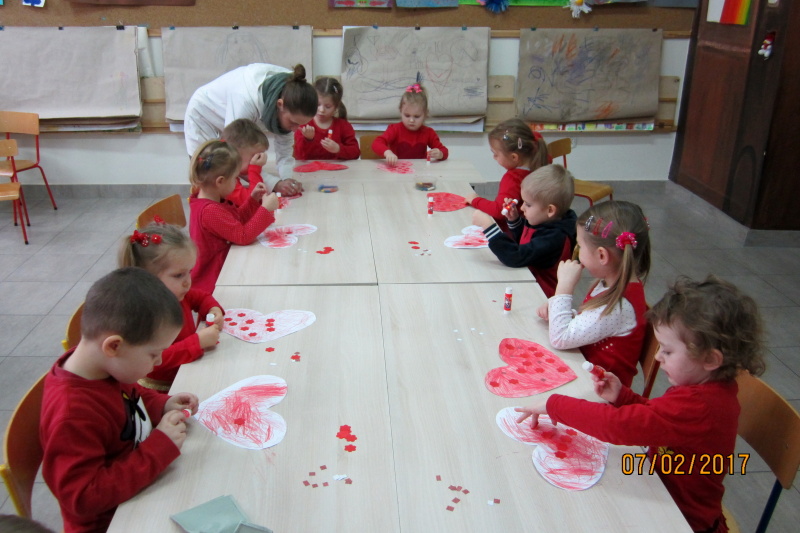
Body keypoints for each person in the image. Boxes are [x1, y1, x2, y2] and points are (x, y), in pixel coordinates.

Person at [517, 276, 766, 533]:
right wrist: (623, 397)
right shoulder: (706, 388)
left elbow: (618, 426)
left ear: (711, 359)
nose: (658, 357)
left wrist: (555, 404)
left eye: (667, 351)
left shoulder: (702, 405)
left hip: (683, 519)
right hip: (658, 487)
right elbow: (660, 418)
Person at [40, 267, 199, 533]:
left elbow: (130, 395)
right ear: (114, 346)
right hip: (113, 522)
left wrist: (161, 404)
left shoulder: (103, 366)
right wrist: (159, 448)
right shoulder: (72, 414)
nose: (159, 361)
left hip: (140, 490)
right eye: (154, 354)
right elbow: (83, 498)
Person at [537, 200, 651, 387]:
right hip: (585, 374)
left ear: (602, 255)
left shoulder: (618, 305)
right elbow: (593, 323)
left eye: (580, 246)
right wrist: (560, 311)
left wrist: (563, 288)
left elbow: (559, 338)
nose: (578, 252)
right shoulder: (612, 283)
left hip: (599, 393)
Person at [184, 63, 317, 197]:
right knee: (212, 179)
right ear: (279, 104)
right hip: (203, 115)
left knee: (230, 188)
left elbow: (285, 149)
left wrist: (287, 179)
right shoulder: (245, 99)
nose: (295, 129)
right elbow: (235, 157)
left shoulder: (293, 91)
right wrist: (275, 184)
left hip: (230, 113)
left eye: (299, 124)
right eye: (293, 123)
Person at [119, 222, 224, 391]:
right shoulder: (145, 315)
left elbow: (201, 297)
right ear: (147, 278)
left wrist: (213, 309)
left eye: (189, 272)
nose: (187, 281)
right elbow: (154, 361)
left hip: (188, 368)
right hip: (165, 387)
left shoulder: (175, 293)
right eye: (178, 275)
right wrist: (197, 342)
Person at [473, 165, 577, 298]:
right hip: (528, 278)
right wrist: (514, 220)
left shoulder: (554, 237)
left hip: (542, 295)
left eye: (528, 204)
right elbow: (527, 241)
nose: (522, 208)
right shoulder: (546, 220)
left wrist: (488, 227)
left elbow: (516, 257)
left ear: (550, 210)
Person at [188, 140, 278, 293]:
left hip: (226, 265)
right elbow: (242, 236)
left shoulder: (212, 200)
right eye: (235, 179)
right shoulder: (209, 210)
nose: (237, 184)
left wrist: (253, 200)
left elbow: (235, 221)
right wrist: (265, 209)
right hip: (214, 280)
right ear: (220, 181)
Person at [465, 118, 549, 234]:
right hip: (533, 230)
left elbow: (499, 211)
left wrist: (476, 200)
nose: (494, 157)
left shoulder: (513, 179)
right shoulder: (541, 162)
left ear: (514, 157)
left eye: (495, 154)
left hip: (512, 234)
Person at [371, 83, 448, 165]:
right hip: (398, 170)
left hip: (420, 170)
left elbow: (444, 151)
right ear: (401, 111)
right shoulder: (395, 129)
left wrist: (440, 154)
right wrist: (388, 153)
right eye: (407, 115)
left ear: (425, 114)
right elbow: (376, 143)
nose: (411, 120)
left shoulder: (429, 132)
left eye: (417, 116)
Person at [293, 77, 360, 161]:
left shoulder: (343, 126)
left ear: (336, 107)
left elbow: (355, 153)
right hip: (312, 169)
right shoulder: (304, 125)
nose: (322, 110)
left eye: (328, 106)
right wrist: (308, 139)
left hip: (337, 169)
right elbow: (299, 156)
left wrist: (338, 149)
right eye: (318, 104)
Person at [221, 118, 270, 207]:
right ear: (235, 153)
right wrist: (254, 169)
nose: (257, 160)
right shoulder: (223, 178)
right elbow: (251, 201)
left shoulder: (227, 171)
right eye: (254, 156)